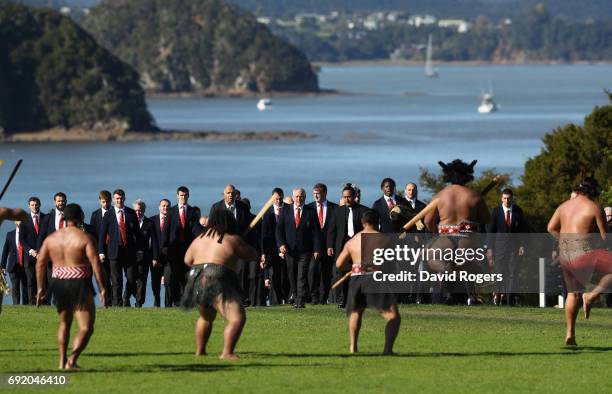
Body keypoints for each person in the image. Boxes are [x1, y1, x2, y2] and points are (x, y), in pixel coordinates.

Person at [35, 203, 108, 369]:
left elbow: (40, 263)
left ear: (64, 218)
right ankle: (72, 360)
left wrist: (40, 288)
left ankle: (61, 362)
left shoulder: (52, 238)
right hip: (79, 283)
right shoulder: (84, 238)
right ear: (80, 217)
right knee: (86, 327)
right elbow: (96, 264)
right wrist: (102, 288)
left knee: (64, 324)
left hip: (58, 284)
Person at [181, 208, 258, 360]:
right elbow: (253, 255)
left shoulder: (199, 239)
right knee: (237, 318)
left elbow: (187, 260)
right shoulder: (232, 239)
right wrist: (240, 245)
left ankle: (200, 351)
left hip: (195, 281)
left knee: (206, 318)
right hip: (216, 279)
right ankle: (227, 353)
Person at [547, 177, 611, 346]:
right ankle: (590, 296)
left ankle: (570, 334)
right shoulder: (594, 207)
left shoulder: (564, 206)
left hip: (566, 256)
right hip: (583, 254)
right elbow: (606, 237)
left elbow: (550, 228)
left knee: (572, 294)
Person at [424, 160, 490, 304]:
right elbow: (486, 219)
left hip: (445, 239)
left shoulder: (439, 196)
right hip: (467, 239)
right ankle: (471, 296)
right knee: (468, 266)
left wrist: (437, 235)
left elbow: (428, 221)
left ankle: (446, 285)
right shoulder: (474, 196)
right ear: (468, 175)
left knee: (432, 258)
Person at [335, 210, 400, 355]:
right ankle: (387, 350)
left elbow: (339, 264)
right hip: (375, 278)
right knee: (393, 316)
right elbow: (393, 263)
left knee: (355, 311)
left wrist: (352, 267)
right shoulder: (385, 239)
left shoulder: (352, 241)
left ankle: (353, 347)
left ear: (362, 222)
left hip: (357, 278)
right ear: (378, 222)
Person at [276, 188, 321, 308]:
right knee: (291, 274)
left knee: (301, 275)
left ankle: (300, 301)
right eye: (296, 196)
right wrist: (281, 244)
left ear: (305, 198)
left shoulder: (310, 211)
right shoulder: (285, 210)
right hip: (289, 251)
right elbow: (279, 230)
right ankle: (295, 296)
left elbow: (316, 232)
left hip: (305, 251)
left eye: (301, 196)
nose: (298, 199)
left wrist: (317, 249)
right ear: (293, 197)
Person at [327, 185, 368, 308]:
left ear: (355, 196)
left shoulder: (363, 211)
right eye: (344, 197)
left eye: (349, 196)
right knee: (341, 275)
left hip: (358, 249)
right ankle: (342, 300)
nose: (347, 199)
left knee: (357, 274)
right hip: (342, 248)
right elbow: (332, 230)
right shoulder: (337, 211)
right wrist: (329, 245)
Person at [97, 189, 139, 307]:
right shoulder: (108, 215)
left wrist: (139, 249)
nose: (119, 200)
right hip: (113, 252)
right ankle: (117, 304)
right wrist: (101, 252)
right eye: (117, 199)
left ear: (124, 198)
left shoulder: (131, 213)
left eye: (121, 198)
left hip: (129, 252)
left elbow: (137, 233)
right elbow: (102, 235)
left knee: (131, 278)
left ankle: (126, 298)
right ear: (113, 200)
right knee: (116, 280)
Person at [487, 188, 528, 306]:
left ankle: (511, 301)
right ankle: (497, 299)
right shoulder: (496, 211)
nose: (507, 200)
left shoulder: (518, 211)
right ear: (501, 199)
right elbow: (491, 231)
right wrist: (489, 249)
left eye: (509, 198)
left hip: (515, 249)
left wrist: (522, 246)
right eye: (504, 198)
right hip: (499, 248)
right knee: (499, 273)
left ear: (512, 198)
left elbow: (523, 230)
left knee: (513, 273)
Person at [165, 186, 202, 306]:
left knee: (187, 276)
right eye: (181, 195)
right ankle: (176, 301)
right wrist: (164, 247)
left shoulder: (192, 212)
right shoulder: (171, 211)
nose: (183, 197)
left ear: (188, 196)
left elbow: (196, 230)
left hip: (188, 250)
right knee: (175, 276)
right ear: (177, 196)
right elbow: (166, 230)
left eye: (185, 195)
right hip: (174, 249)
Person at [306, 183, 337, 304]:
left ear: (325, 193)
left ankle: (324, 298)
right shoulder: (309, 208)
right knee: (312, 271)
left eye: (318, 194)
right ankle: (314, 297)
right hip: (314, 248)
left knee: (327, 273)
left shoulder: (334, 208)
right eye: (314, 194)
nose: (316, 196)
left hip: (329, 247)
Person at [37, 192, 68, 304]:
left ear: (66, 201)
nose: (61, 203)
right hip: (51, 255)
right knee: (52, 280)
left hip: (68, 254)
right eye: (59, 201)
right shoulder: (48, 217)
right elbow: (41, 236)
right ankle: (55, 303)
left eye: (63, 201)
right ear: (55, 202)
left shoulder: (71, 216)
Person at [261, 188, 289, 305]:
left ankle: (287, 298)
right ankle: (274, 301)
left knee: (287, 275)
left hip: (287, 247)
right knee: (274, 275)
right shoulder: (267, 212)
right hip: (272, 249)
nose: (278, 201)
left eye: (280, 198)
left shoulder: (288, 209)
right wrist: (264, 252)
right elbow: (264, 233)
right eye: (276, 199)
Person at [132, 199, 159, 307]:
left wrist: (154, 257)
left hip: (144, 256)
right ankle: (125, 299)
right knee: (131, 279)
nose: (138, 212)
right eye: (136, 210)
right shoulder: (129, 222)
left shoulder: (149, 223)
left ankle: (139, 302)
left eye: (140, 210)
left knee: (142, 280)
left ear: (144, 210)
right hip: (130, 256)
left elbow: (154, 242)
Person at [19, 196, 44, 304]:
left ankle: (44, 303)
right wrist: (31, 251)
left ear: (40, 205)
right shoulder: (24, 220)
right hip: (29, 257)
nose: (34, 207)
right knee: (31, 281)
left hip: (44, 255)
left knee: (44, 281)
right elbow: (21, 239)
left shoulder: (46, 218)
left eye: (36, 204)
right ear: (29, 206)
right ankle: (31, 304)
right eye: (32, 205)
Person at [89, 190, 112, 306]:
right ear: (99, 201)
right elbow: (93, 234)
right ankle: (107, 302)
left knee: (115, 278)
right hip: (99, 251)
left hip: (113, 250)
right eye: (103, 202)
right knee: (103, 278)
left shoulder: (115, 213)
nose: (106, 204)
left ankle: (115, 301)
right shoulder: (95, 215)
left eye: (107, 202)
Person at [1, 221, 28, 304]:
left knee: (25, 287)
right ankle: (16, 305)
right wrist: (3, 266)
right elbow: (5, 251)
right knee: (15, 287)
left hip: (26, 265)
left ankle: (26, 306)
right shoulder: (10, 234)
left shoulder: (28, 234)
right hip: (13, 265)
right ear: (15, 221)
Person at [150, 199, 170, 307]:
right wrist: (154, 257)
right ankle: (156, 303)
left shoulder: (173, 220)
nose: (165, 208)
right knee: (155, 283)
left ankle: (168, 305)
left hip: (169, 258)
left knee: (168, 281)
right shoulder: (152, 220)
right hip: (155, 257)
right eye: (163, 206)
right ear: (159, 207)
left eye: (167, 206)